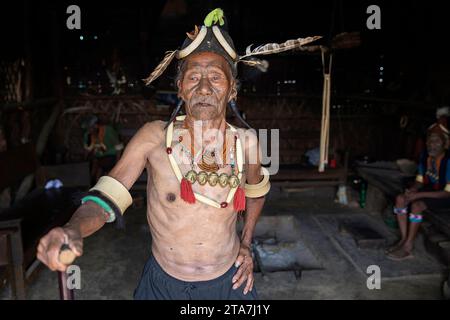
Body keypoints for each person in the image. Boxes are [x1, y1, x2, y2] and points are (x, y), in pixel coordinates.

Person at [37, 8, 318, 300]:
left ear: (232, 90)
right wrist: (73, 229)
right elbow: (106, 197)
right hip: (163, 285)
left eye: (216, 78)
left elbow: (256, 192)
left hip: (229, 283)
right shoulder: (154, 137)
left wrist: (246, 243)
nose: (204, 88)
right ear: (181, 89)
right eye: (194, 77)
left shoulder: (246, 143)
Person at [387, 121, 450, 260]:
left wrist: (419, 195)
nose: (431, 144)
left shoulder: (448, 161)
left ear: (445, 143)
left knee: (417, 205)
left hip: (446, 196)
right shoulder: (425, 157)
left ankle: (409, 247)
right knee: (400, 199)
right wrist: (412, 190)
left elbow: (447, 192)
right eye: (429, 141)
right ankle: (403, 239)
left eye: (436, 141)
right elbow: (420, 180)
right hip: (432, 191)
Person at [82, 115, 124, 184]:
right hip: (98, 159)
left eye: (90, 128)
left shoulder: (108, 131)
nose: (89, 130)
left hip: (111, 157)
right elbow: (87, 150)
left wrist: (118, 163)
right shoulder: (88, 135)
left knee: (105, 172)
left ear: (96, 125)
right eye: (87, 128)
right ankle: (95, 187)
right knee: (96, 171)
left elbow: (118, 147)